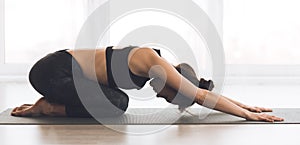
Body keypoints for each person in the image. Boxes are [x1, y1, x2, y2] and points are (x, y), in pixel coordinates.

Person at [11, 46, 284, 122]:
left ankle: (52, 104)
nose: (161, 97)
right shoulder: (150, 60)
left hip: (69, 78)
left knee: (119, 103)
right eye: (169, 97)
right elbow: (201, 95)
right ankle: (47, 108)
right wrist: (248, 114)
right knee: (117, 104)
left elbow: (201, 91)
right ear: (175, 83)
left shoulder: (156, 67)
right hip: (52, 72)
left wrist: (248, 106)